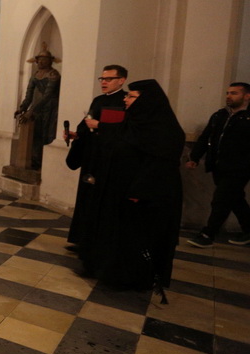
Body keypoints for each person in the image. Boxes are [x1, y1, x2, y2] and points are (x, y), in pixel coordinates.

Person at [78, 79, 184, 299]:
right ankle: (114, 273)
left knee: (139, 237)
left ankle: (136, 277)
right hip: (122, 190)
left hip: (146, 195)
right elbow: (115, 139)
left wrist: (139, 192)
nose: (125, 99)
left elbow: (158, 166)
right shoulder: (133, 123)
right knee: (120, 235)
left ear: (147, 101)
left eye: (131, 96)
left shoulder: (164, 129)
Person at [63, 64, 128, 249]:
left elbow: (123, 130)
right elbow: (87, 124)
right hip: (92, 156)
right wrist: (77, 134)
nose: (103, 82)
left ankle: (97, 242)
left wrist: (99, 125)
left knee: (101, 200)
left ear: (121, 80)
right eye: (102, 79)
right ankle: (81, 239)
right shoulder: (98, 100)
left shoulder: (125, 101)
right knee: (86, 197)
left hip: (109, 158)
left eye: (108, 79)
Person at [185, 82, 250, 247]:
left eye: (234, 93)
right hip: (219, 166)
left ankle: (208, 234)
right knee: (235, 199)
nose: (229, 96)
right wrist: (194, 157)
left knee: (221, 200)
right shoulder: (220, 115)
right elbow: (206, 137)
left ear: (246, 96)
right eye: (228, 93)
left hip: (240, 168)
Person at [14, 45, 61, 169]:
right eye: (39, 59)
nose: (40, 61)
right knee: (36, 134)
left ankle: (44, 162)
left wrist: (31, 111)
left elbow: (47, 96)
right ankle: (35, 160)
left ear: (50, 61)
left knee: (47, 133)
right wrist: (23, 107)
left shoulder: (53, 75)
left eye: (43, 59)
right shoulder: (36, 74)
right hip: (38, 108)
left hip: (50, 108)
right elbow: (29, 94)